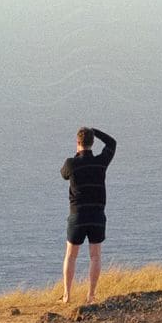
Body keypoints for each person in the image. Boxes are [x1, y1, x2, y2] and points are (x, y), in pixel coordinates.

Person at [60, 126, 117, 304]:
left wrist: (77, 155)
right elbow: (112, 143)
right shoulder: (100, 162)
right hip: (97, 215)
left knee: (71, 255)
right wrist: (96, 131)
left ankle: (67, 295)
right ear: (92, 143)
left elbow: (63, 174)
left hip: (77, 215)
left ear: (78, 143)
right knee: (95, 256)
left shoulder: (71, 163)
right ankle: (91, 296)